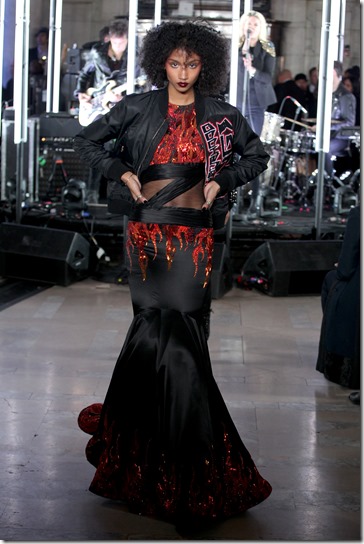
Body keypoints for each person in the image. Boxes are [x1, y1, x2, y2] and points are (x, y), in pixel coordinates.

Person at [74, 20, 272, 531]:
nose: (182, 73)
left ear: (205, 66)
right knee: (151, 337)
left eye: (192, 64)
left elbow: (259, 156)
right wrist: (122, 172)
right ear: (161, 63)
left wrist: (222, 180)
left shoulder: (221, 117)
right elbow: (87, 142)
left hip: (196, 237)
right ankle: (146, 467)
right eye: (174, 63)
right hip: (145, 235)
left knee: (184, 338)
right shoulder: (137, 107)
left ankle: (190, 470)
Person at [74, 19, 142, 203]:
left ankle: (116, 200)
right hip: (98, 106)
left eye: (123, 42)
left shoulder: (136, 56)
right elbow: (84, 74)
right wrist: (81, 94)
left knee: (120, 154)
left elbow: (143, 85)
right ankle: (91, 197)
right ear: (109, 39)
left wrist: (124, 99)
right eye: (116, 42)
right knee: (95, 152)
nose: (120, 45)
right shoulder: (97, 52)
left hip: (122, 110)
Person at [236, 10, 276, 218]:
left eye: (255, 24)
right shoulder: (235, 47)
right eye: (248, 23)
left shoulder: (267, 48)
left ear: (260, 28)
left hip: (256, 104)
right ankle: (234, 199)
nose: (250, 27)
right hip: (237, 102)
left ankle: (256, 198)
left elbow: (269, 77)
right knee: (234, 151)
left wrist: (252, 70)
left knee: (251, 150)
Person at [316, 205, 360, 394]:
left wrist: (341, 265)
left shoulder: (359, 214)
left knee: (332, 281)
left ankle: (339, 358)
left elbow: (346, 269)